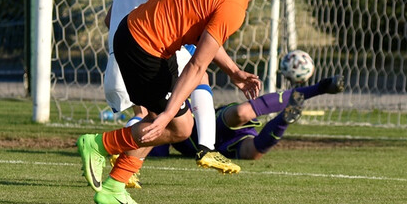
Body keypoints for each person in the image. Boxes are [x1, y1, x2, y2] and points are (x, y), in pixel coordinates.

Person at [76, 0, 297, 204]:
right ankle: (100, 144)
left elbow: (205, 40)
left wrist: (235, 72)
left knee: (166, 120)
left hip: (146, 38)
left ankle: (114, 186)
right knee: (179, 126)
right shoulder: (235, 6)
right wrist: (170, 113)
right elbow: (196, 66)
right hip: (144, 45)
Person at [99, 0, 239, 185]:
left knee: (148, 116)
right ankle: (206, 147)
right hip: (147, 46)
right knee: (200, 75)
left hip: (118, 54)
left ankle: (125, 171)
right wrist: (180, 12)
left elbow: (108, 19)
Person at [146, 74, 345, 161]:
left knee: (241, 113)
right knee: (252, 153)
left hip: (212, 125)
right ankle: (284, 119)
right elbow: (158, 152)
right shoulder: (168, 125)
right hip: (222, 148)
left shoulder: (181, 105)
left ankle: (318, 88)